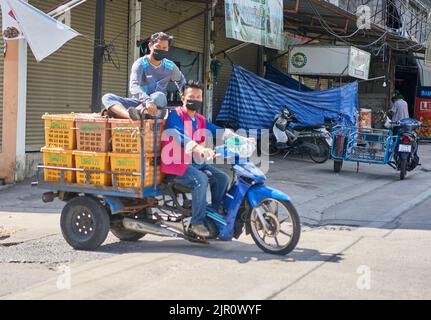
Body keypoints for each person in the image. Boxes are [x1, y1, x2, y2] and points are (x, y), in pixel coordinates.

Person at [161, 81, 254, 238]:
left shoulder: (199, 119)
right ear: (183, 98)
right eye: (191, 96)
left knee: (222, 178)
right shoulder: (174, 116)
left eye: (198, 97)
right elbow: (180, 137)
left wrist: (242, 139)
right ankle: (197, 223)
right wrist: (200, 149)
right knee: (201, 180)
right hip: (176, 166)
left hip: (195, 163)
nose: (195, 100)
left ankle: (214, 214)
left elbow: (221, 132)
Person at [102, 32, 186, 120]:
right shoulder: (140, 64)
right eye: (158, 46)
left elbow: (181, 81)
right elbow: (134, 86)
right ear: (150, 46)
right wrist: (147, 101)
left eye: (164, 48)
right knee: (107, 97)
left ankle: (131, 113)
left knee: (159, 96)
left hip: (157, 105)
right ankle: (131, 115)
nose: (161, 49)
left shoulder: (170, 66)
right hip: (139, 102)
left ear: (168, 49)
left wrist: (184, 97)